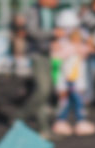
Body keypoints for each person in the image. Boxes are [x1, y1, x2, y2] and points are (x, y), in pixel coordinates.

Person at [51, 9, 95, 136]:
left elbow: (91, 49)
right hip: (69, 80)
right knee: (69, 101)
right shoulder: (64, 46)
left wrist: (88, 42)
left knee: (73, 101)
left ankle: (68, 121)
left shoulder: (76, 45)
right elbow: (57, 61)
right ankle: (66, 121)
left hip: (75, 80)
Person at [20, 0, 60, 138]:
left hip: (48, 54)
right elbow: (32, 31)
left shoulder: (53, 12)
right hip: (37, 54)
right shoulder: (34, 11)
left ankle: (44, 129)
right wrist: (53, 33)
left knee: (46, 90)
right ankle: (20, 117)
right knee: (43, 89)